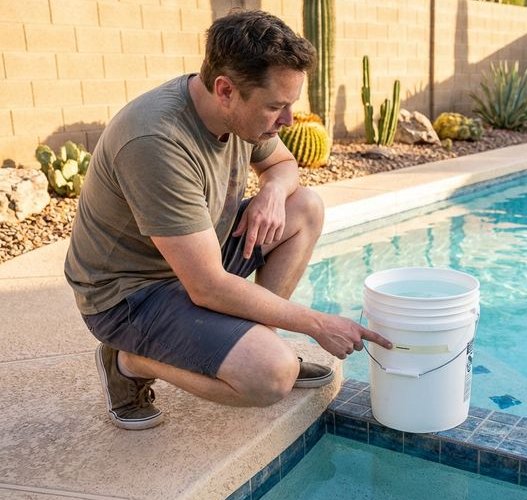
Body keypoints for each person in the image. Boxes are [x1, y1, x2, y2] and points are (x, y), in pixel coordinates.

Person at [64, 9, 392, 430]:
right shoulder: (156, 140)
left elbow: (284, 165)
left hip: (198, 259)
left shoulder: (234, 112)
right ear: (225, 90)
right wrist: (317, 324)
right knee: (270, 376)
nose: (288, 120)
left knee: (305, 207)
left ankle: (254, 341)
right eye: (276, 106)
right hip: (129, 296)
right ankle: (128, 361)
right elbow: (207, 287)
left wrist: (273, 192)